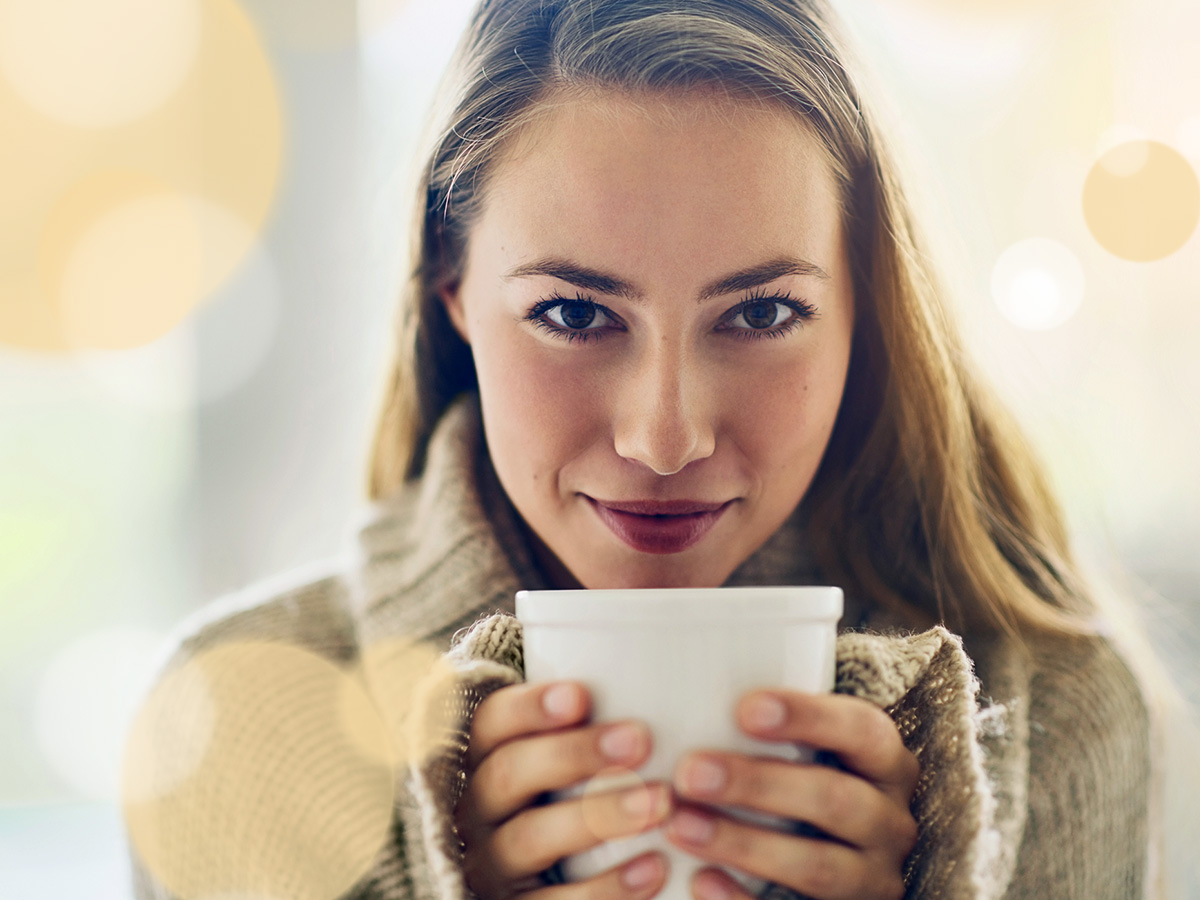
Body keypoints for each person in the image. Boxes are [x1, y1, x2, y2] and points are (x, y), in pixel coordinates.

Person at [122, 1, 1153, 899]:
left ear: (865, 308)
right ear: (453, 289)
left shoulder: (1059, 711)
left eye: (760, 312)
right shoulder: (231, 728)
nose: (665, 438)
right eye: (573, 311)